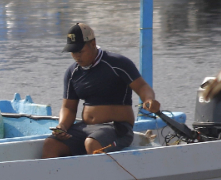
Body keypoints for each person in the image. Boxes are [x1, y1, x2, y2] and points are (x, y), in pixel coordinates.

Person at [41, 22, 161, 158]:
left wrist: (149, 99)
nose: (76, 56)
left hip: (117, 128)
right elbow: (69, 107)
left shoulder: (118, 63)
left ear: (92, 44)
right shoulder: (72, 72)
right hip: (85, 127)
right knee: (50, 145)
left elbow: (142, 87)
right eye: (73, 52)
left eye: (80, 51)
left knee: (92, 144)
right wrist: (62, 126)